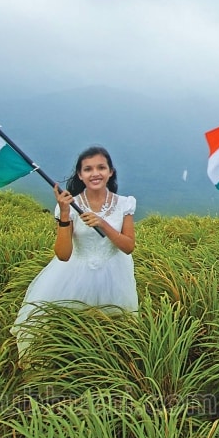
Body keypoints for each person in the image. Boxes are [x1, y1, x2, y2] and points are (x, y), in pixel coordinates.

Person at [11, 146, 138, 358]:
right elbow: (63, 254)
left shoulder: (124, 204)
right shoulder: (71, 205)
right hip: (74, 276)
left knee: (113, 332)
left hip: (114, 276)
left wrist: (103, 224)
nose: (95, 173)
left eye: (101, 167)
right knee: (66, 332)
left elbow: (128, 247)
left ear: (111, 172)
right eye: (88, 169)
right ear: (80, 175)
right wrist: (64, 213)